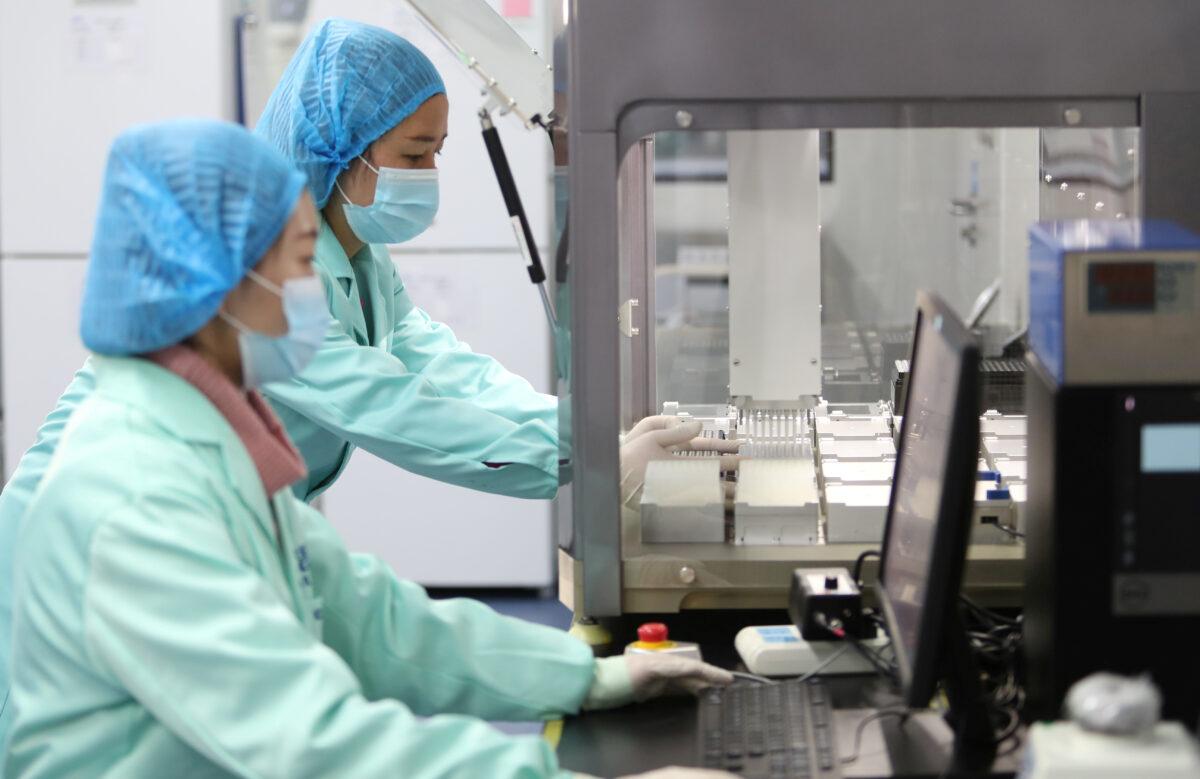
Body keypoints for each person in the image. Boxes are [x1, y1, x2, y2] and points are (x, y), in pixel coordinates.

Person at [0, 18, 735, 747]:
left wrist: (582, 671)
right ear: (219, 286)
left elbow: (372, 618)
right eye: (295, 262)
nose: (311, 284)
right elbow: (311, 739)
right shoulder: (138, 498)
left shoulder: (223, 449)